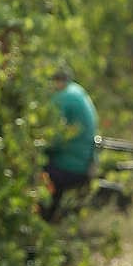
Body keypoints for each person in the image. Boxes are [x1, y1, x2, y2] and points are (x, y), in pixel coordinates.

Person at [41, 64, 98, 223]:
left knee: (35, 172)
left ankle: (43, 222)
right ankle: (50, 219)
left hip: (72, 167)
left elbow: (55, 140)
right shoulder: (76, 91)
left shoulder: (62, 98)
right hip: (85, 163)